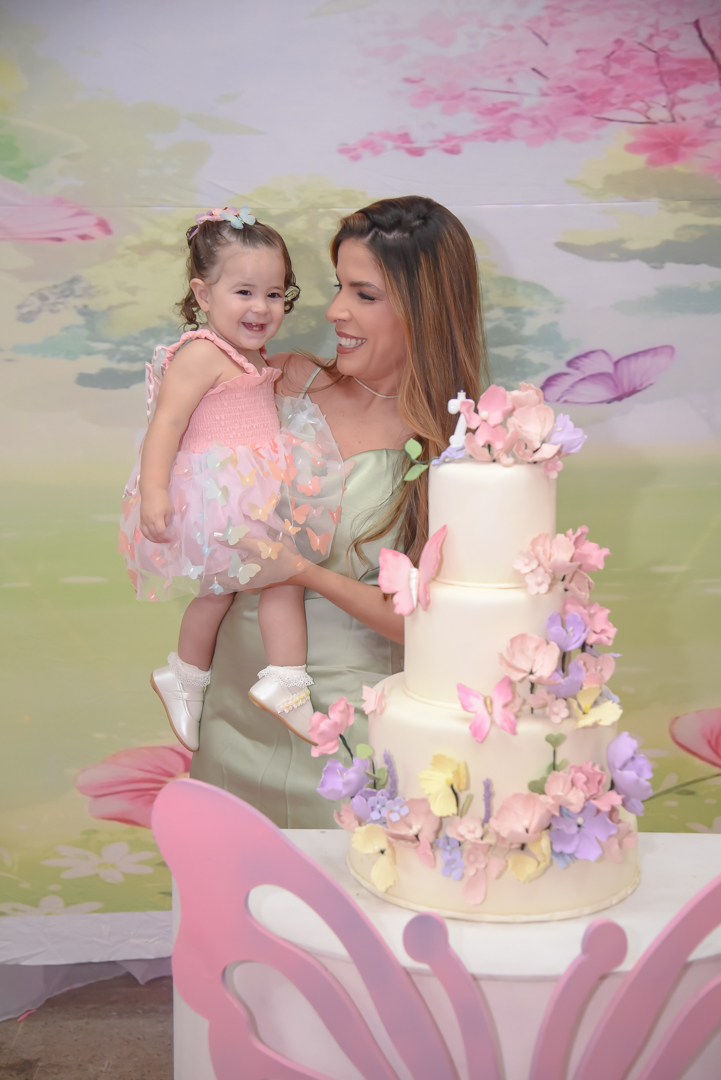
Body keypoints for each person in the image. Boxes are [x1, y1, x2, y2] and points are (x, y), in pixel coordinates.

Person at [191, 195, 490, 827]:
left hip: (348, 735)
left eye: (365, 294)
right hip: (234, 714)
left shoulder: (460, 448)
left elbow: (434, 629)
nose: (334, 312)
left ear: (426, 309)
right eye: (337, 286)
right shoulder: (281, 382)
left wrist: (302, 572)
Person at [119, 206, 343, 753]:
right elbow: (166, 424)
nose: (261, 307)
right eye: (244, 292)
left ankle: (204, 675)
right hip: (220, 498)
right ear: (203, 294)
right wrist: (154, 493)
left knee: (248, 585)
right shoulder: (201, 353)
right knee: (255, 584)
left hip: (252, 496)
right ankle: (263, 680)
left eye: (274, 294)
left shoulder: (248, 354)